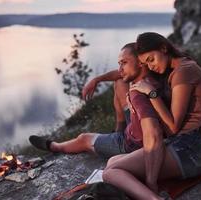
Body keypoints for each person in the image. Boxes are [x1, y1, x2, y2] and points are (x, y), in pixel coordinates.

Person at [102, 32, 201, 200]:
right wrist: (99, 80)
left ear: (163, 48)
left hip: (193, 149)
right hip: (183, 144)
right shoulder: (174, 69)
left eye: (151, 59)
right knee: (113, 162)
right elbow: (125, 73)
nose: (151, 66)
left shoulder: (184, 71)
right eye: (145, 63)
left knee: (110, 173)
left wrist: (151, 94)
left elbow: (174, 126)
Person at [29, 43, 162, 159]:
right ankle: (119, 130)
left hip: (132, 143)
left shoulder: (137, 92)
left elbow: (150, 134)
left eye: (124, 62)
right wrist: (96, 80)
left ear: (140, 62)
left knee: (83, 139)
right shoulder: (151, 79)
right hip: (138, 126)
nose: (120, 69)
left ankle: (55, 146)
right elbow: (120, 74)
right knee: (120, 82)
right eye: (119, 64)